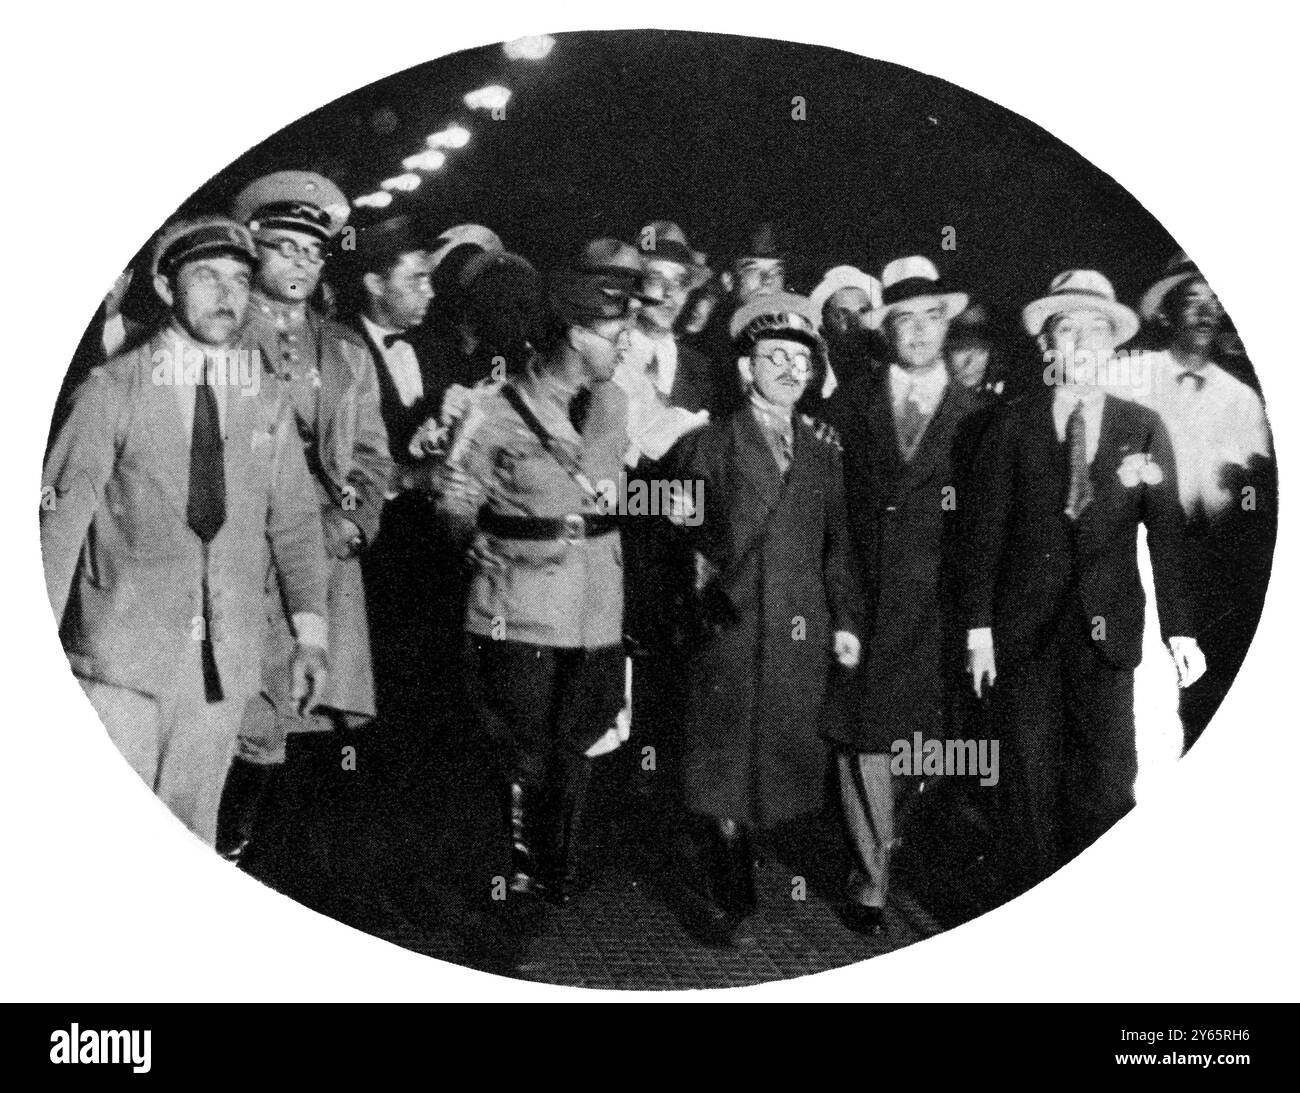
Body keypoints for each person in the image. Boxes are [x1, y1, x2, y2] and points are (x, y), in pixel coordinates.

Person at [41, 217, 330, 846]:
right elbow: (56, 530)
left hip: (223, 668)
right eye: (206, 277)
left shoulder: (265, 399)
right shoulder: (111, 388)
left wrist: (311, 634)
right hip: (120, 666)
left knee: (190, 842)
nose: (227, 295)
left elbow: (296, 523)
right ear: (167, 289)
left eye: (239, 280)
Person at [961, 269, 1206, 898]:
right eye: (1067, 332)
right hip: (1025, 634)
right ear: (1047, 347)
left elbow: (1168, 537)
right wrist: (979, 632)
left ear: (1114, 349)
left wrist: (1180, 631)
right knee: (1028, 779)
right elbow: (983, 536)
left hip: (1109, 631)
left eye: (1097, 333)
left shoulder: (1143, 426)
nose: (1083, 346)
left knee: (1106, 779)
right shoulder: (1010, 425)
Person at [435, 244, 641, 912]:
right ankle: (520, 869)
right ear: (578, 336)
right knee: (521, 742)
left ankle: (558, 863)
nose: (627, 343)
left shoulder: (615, 404)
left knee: (578, 738)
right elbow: (455, 500)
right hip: (519, 604)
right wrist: (474, 543)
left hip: (597, 605)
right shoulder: (494, 408)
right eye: (616, 333)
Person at [667, 291, 862, 945]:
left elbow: (839, 545)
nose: (787, 368)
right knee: (722, 764)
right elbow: (679, 539)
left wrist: (846, 620)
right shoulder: (708, 444)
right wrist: (700, 605)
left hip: (799, 631)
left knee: (775, 762)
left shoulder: (824, 449)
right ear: (746, 368)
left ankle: (740, 861)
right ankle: (733, 899)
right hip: (730, 626)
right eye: (772, 356)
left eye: (799, 359)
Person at [217, 171, 392, 862]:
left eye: (312, 251)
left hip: (315, 552)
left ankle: (242, 848)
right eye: (284, 246)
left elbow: (370, 458)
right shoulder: (213, 339)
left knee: (282, 717)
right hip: (232, 549)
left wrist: (353, 521)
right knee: (223, 707)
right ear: (251, 250)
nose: (300, 262)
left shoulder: (347, 351)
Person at [823, 255, 978, 936]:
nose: (917, 331)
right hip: (862, 587)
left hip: (936, 603)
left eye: (929, 318)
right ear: (886, 329)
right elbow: (829, 500)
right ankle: (870, 877)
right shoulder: (849, 403)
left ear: (946, 323)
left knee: (926, 743)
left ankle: (890, 842)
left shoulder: (979, 412)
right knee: (862, 737)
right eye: (903, 319)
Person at [1120, 252, 1274, 750]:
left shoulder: (1243, 399)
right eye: (1193, 301)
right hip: (1139, 558)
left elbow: (1253, 494)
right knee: (1147, 696)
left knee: (1210, 687)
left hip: (1213, 566)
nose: (1207, 313)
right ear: (1167, 312)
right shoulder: (1130, 376)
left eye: (1216, 302)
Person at [807, 264, 885, 401]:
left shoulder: (888, 376)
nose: (854, 323)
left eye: (863, 312)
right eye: (842, 314)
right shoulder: (811, 379)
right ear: (823, 324)